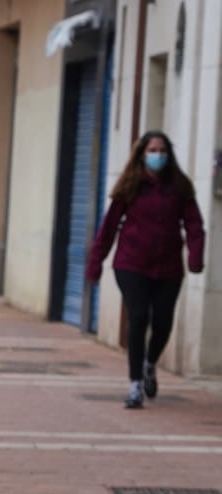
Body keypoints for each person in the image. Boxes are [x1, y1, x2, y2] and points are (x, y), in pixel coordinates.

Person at [88, 130, 205, 408]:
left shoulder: (179, 186)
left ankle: (150, 364)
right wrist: (96, 264)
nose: (157, 155)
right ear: (142, 154)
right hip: (131, 264)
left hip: (168, 267)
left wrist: (195, 258)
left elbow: (194, 225)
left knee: (163, 322)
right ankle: (135, 386)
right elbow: (107, 229)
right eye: (152, 150)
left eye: (162, 150)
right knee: (138, 318)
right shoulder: (130, 185)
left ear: (169, 154)